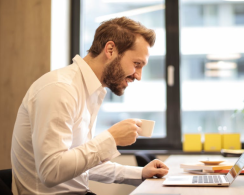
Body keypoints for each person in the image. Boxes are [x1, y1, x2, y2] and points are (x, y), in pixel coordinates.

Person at [11, 17, 169, 195]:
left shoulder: (91, 91)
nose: (138, 76)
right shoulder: (60, 89)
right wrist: (111, 138)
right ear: (110, 50)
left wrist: (139, 173)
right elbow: (51, 171)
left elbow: (80, 164)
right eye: (136, 64)